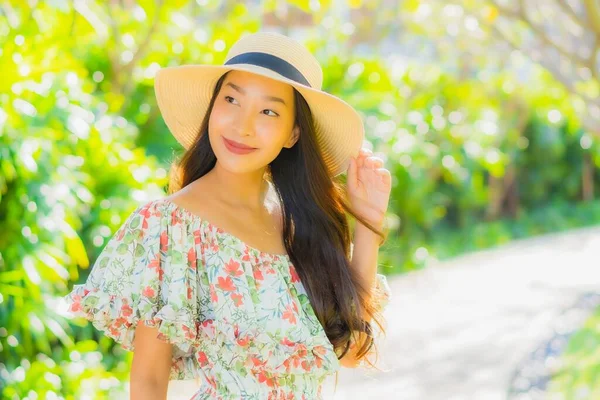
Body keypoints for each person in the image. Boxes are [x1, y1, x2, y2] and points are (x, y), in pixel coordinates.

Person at [64, 31, 393, 400]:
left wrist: (367, 221)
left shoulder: (304, 225)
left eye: (268, 110)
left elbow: (350, 352)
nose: (242, 124)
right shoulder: (170, 227)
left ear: (293, 134)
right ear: (212, 108)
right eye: (232, 99)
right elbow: (148, 383)